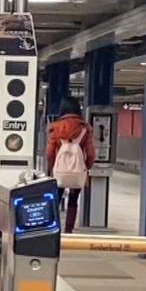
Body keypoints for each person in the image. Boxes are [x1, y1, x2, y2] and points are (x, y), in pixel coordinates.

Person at [44, 96, 95, 233]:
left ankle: (54, 227)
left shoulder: (55, 128)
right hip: (77, 169)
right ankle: (68, 230)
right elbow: (90, 153)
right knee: (73, 200)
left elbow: (49, 152)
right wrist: (86, 167)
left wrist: (52, 167)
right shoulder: (84, 129)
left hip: (59, 170)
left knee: (55, 197)